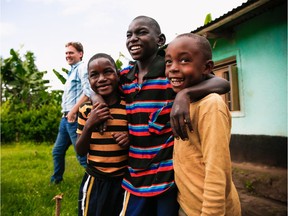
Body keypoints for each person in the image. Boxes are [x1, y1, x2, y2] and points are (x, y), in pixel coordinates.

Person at [117, 16, 231, 216]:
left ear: (160, 40)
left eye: (141, 32)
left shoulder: (171, 72)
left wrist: (184, 94)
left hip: (167, 178)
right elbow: (101, 81)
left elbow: (223, 84)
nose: (133, 38)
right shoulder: (125, 76)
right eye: (129, 34)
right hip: (135, 174)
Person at [165, 32, 241, 216]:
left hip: (207, 210)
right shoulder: (182, 100)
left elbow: (217, 170)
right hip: (187, 204)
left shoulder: (210, 105)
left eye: (184, 60)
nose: (173, 68)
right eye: (168, 62)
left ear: (207, 67)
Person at [76, 53, 129, 216]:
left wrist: (130, 138)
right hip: (95, 179)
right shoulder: (86, 110)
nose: (101, 79)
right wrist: (90, 124)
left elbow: (139, 134)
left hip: (123, 180)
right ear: (89, 81)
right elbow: (80, 150)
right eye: (94, 75)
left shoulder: (128, 107)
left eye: (108, 72)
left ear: (117, 74)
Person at [51, 42, 90, 184]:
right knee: (57, 151)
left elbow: (88, 92)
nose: (68, 55)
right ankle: (56, 181)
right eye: (66, 53)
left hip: (75, 117)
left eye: (71, 52)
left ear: (80, 54)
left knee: (82, 155)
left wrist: (73, 111)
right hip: (66, 118)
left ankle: (95, 181)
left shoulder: (82, 68)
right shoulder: (71, 71)